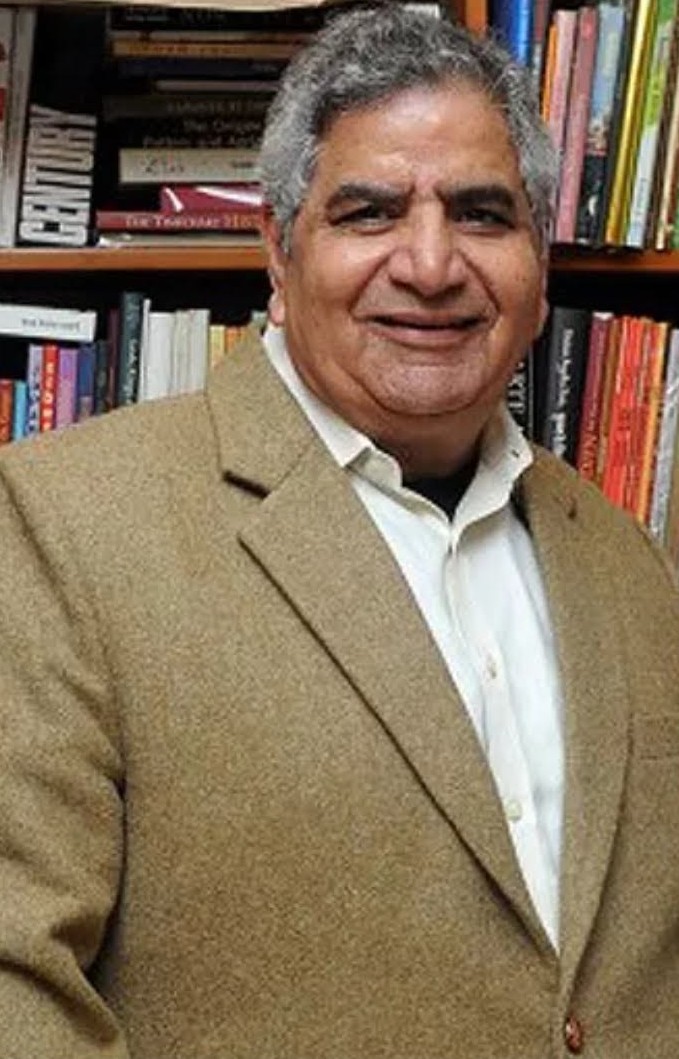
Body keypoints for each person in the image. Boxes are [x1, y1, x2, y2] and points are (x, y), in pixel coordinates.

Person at [1, 5, 678, 1057]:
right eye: (369, 213)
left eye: (482, 214)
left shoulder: (624, 556)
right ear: (278, 253)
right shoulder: (61, 526)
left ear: (538, 268)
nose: (430, 264)